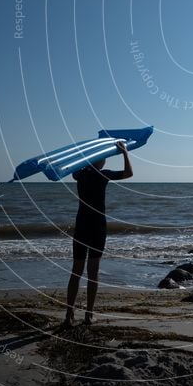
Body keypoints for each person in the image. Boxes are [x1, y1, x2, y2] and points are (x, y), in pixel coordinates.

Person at [64, 140, 133, 327]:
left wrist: (83, 157)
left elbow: (73, 170)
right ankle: (88, 315)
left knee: (76, 272)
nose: (104, 162)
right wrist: (124, 153)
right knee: (92, 273)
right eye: (102, 158)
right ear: (98, 161)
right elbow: (129, 173)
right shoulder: (103, 175)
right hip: (97, 228)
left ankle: (69, 315)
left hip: (82, 226)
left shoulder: (79, 174)